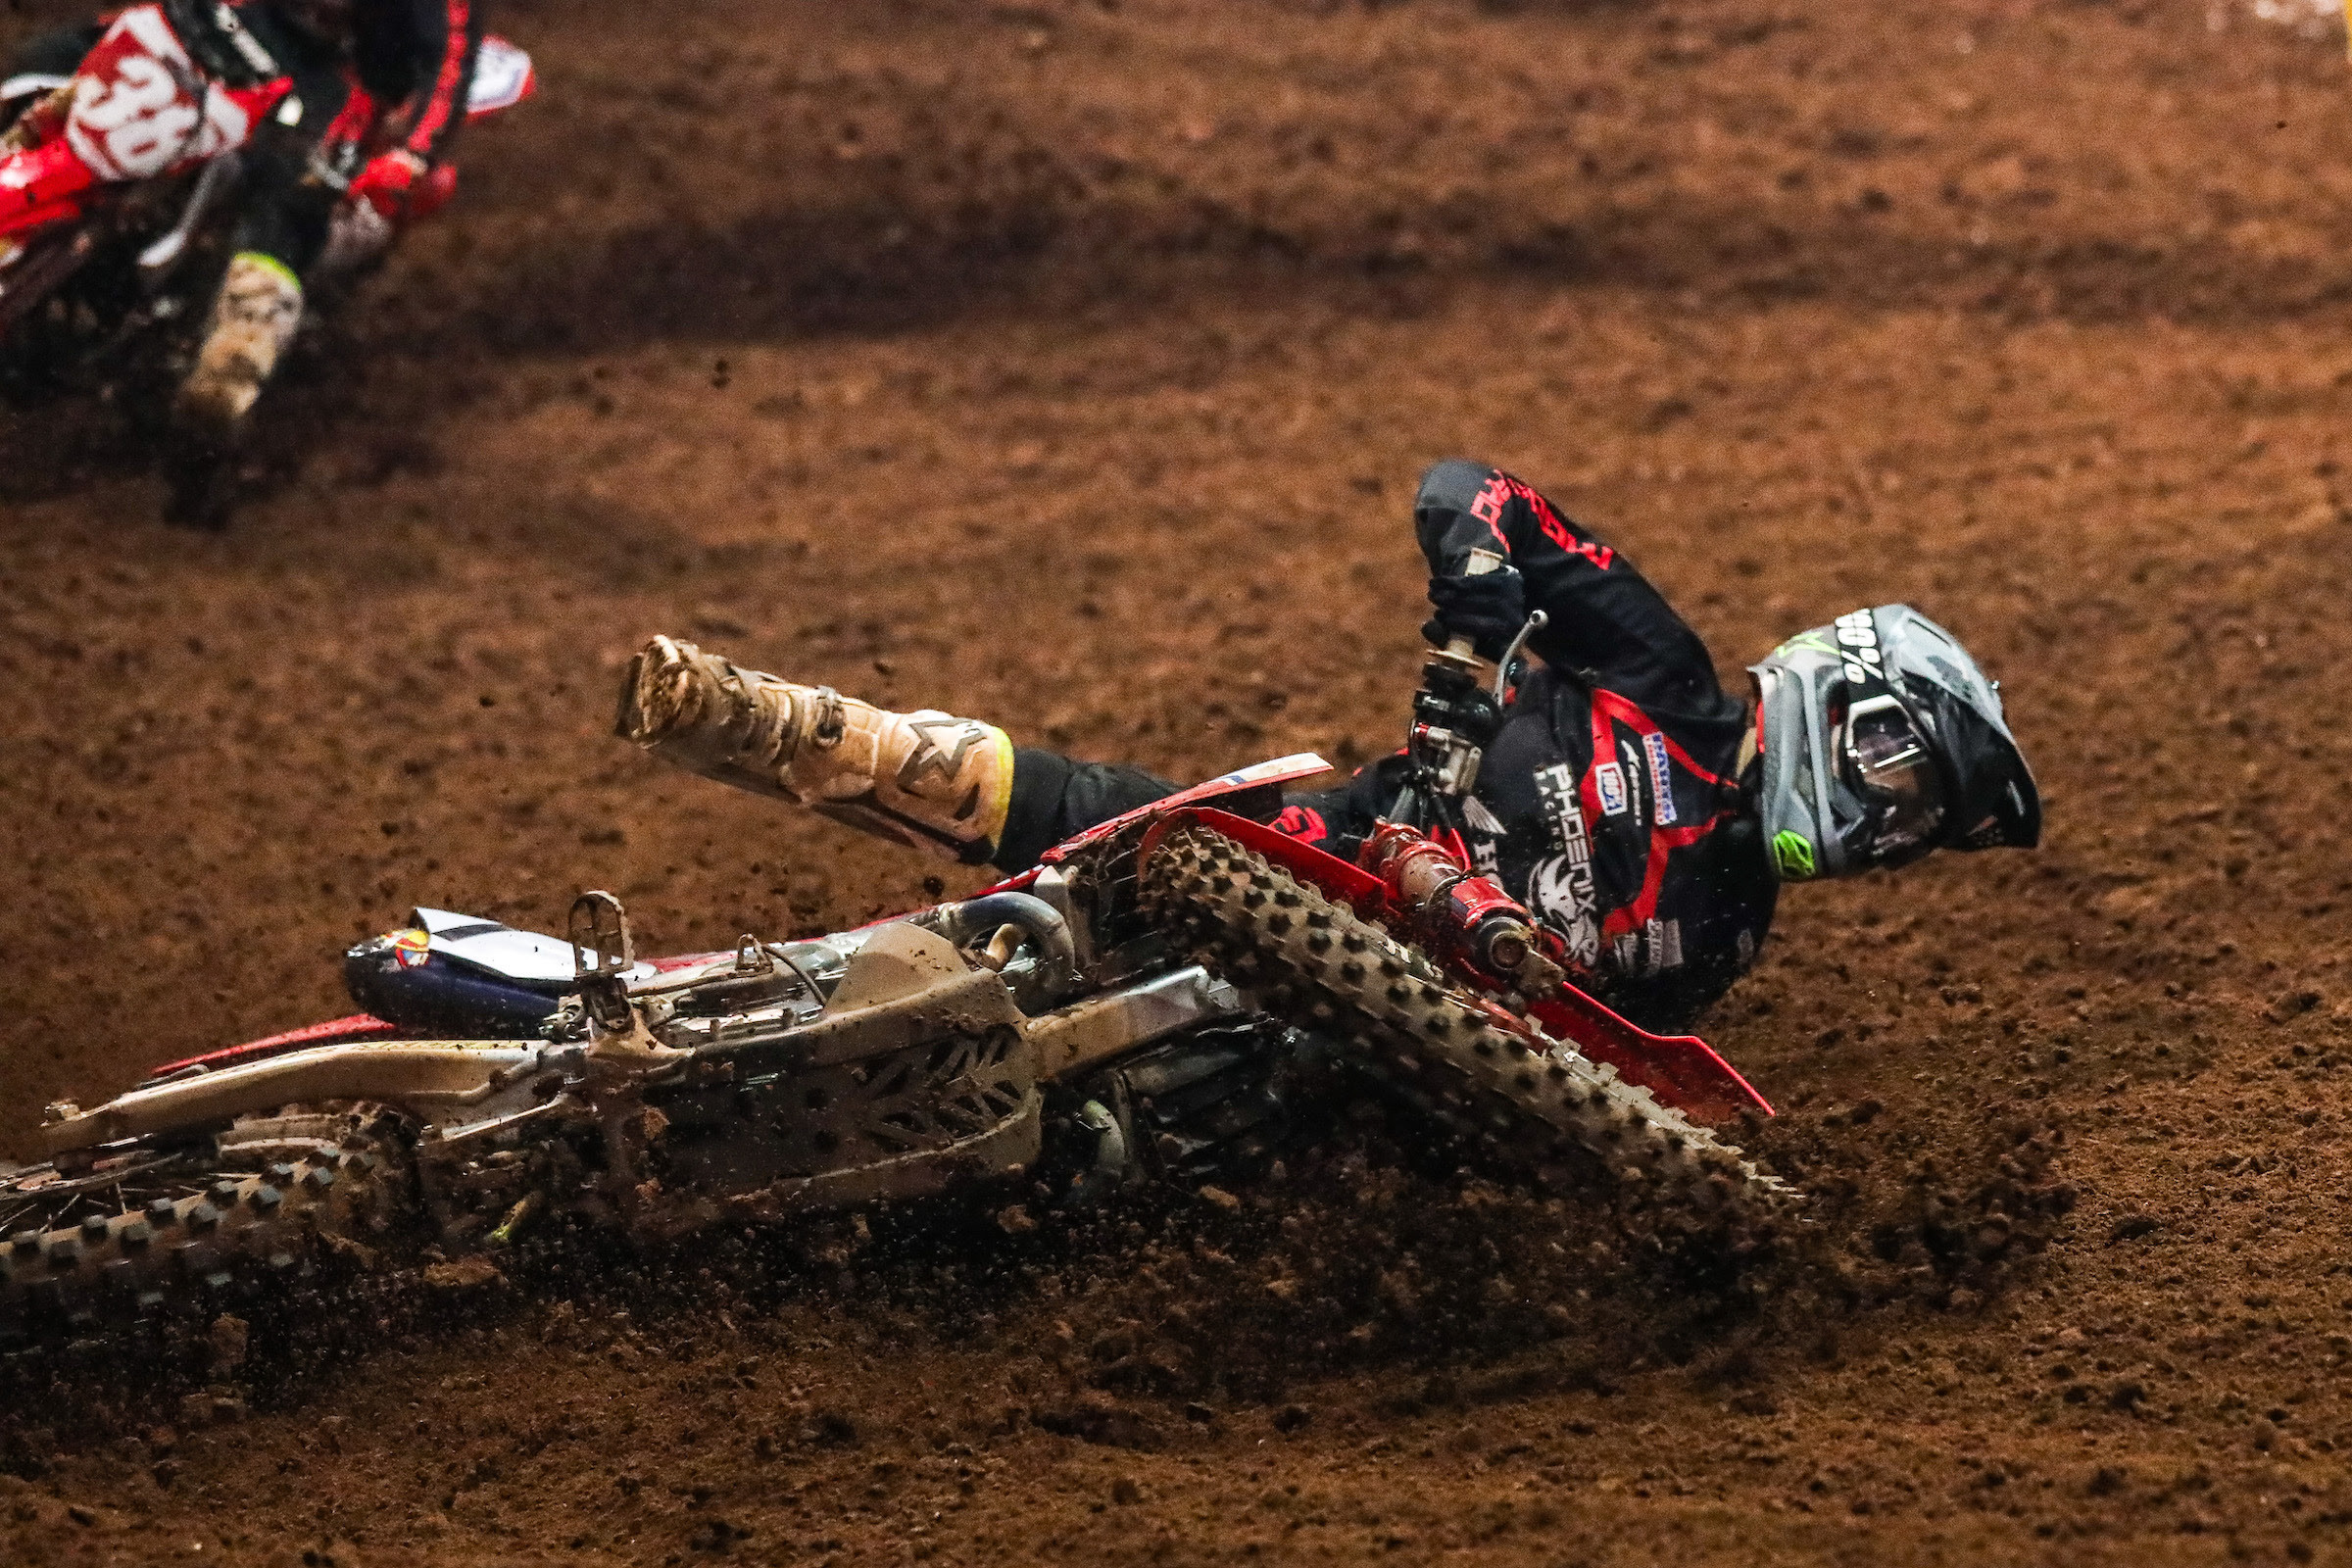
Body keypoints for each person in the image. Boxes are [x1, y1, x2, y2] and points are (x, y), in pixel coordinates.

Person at [613, 460, 2041, 1033]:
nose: (1894, 828)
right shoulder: (1658, 673)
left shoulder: (1721, 941)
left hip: (1322, 1049)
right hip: (1286, 854)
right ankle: (778, 722)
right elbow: (1472, 486)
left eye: (1922, 826)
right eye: (1904, 779)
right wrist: (1484, 595)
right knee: (1018, 812)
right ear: (1839, 699)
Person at [3, 0, 479, 453]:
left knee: (295, 190)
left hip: (343, 76)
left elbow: (449, 66)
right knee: (47, 61)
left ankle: (230, 370)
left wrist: (412, 154)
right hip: (244, 23)